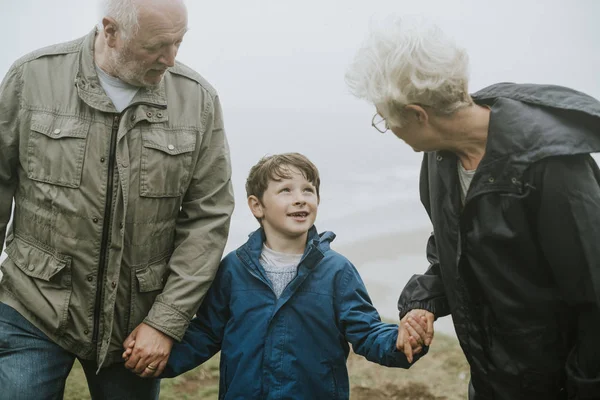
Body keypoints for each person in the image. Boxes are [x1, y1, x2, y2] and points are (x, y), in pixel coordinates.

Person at [345, 17, 600, 400]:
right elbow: (459, 249)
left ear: (418, 114)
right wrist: (424, 302)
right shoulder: (439, 157)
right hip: (493, 379)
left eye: (385, 118)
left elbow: (595, 297)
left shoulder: (551, 164)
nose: (388, 127)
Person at [0, 0, 234, 398]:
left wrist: (166, 321)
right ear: (110, 31)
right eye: (157, 46)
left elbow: (208, 217)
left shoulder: (198, 100)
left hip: (137, 325)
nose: (171, 59)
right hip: (32, 308)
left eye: (179, 42)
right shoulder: (30, 78)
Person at [124, 152, 429, 399]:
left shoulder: (337, 271)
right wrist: (158, 360)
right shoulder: (233, 269)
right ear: (257, 206)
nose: (300, 199)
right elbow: (205, 333)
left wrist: (401, 342)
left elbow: (366, 332)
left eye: (308, 190)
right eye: (286, 190)